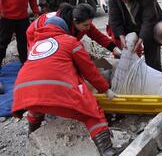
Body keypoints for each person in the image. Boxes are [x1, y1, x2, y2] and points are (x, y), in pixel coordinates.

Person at [12, 16, 124, 155]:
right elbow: (89, 70)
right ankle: (107, 150)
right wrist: (105, 89)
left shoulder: (36, 45)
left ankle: (32, 134)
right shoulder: (70, 41)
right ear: (64, 29)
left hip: (22, 90)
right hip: (56, 89)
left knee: (36, 104)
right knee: (92, 112)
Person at [108, 0, 162, 71]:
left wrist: (141, 39)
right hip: (130, 25)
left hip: (150, 24)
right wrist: (121, 36)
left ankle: (155, 77)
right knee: (125, 53)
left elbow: (149, 19)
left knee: (152, 56)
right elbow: (114, 19)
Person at [27, 3, 121, 57]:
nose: (88, 27)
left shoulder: (82, 21)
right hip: (36, 34)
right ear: (75, 22)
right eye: (86, 25)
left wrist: (114, 48)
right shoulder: (57, 27)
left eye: (89, 24)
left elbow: (98, 36)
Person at [0, 0, 39, 68]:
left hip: (22, 18)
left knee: (23, 42)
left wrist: (36, 13)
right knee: (3, 43)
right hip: (7, 17)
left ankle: (25, 65)